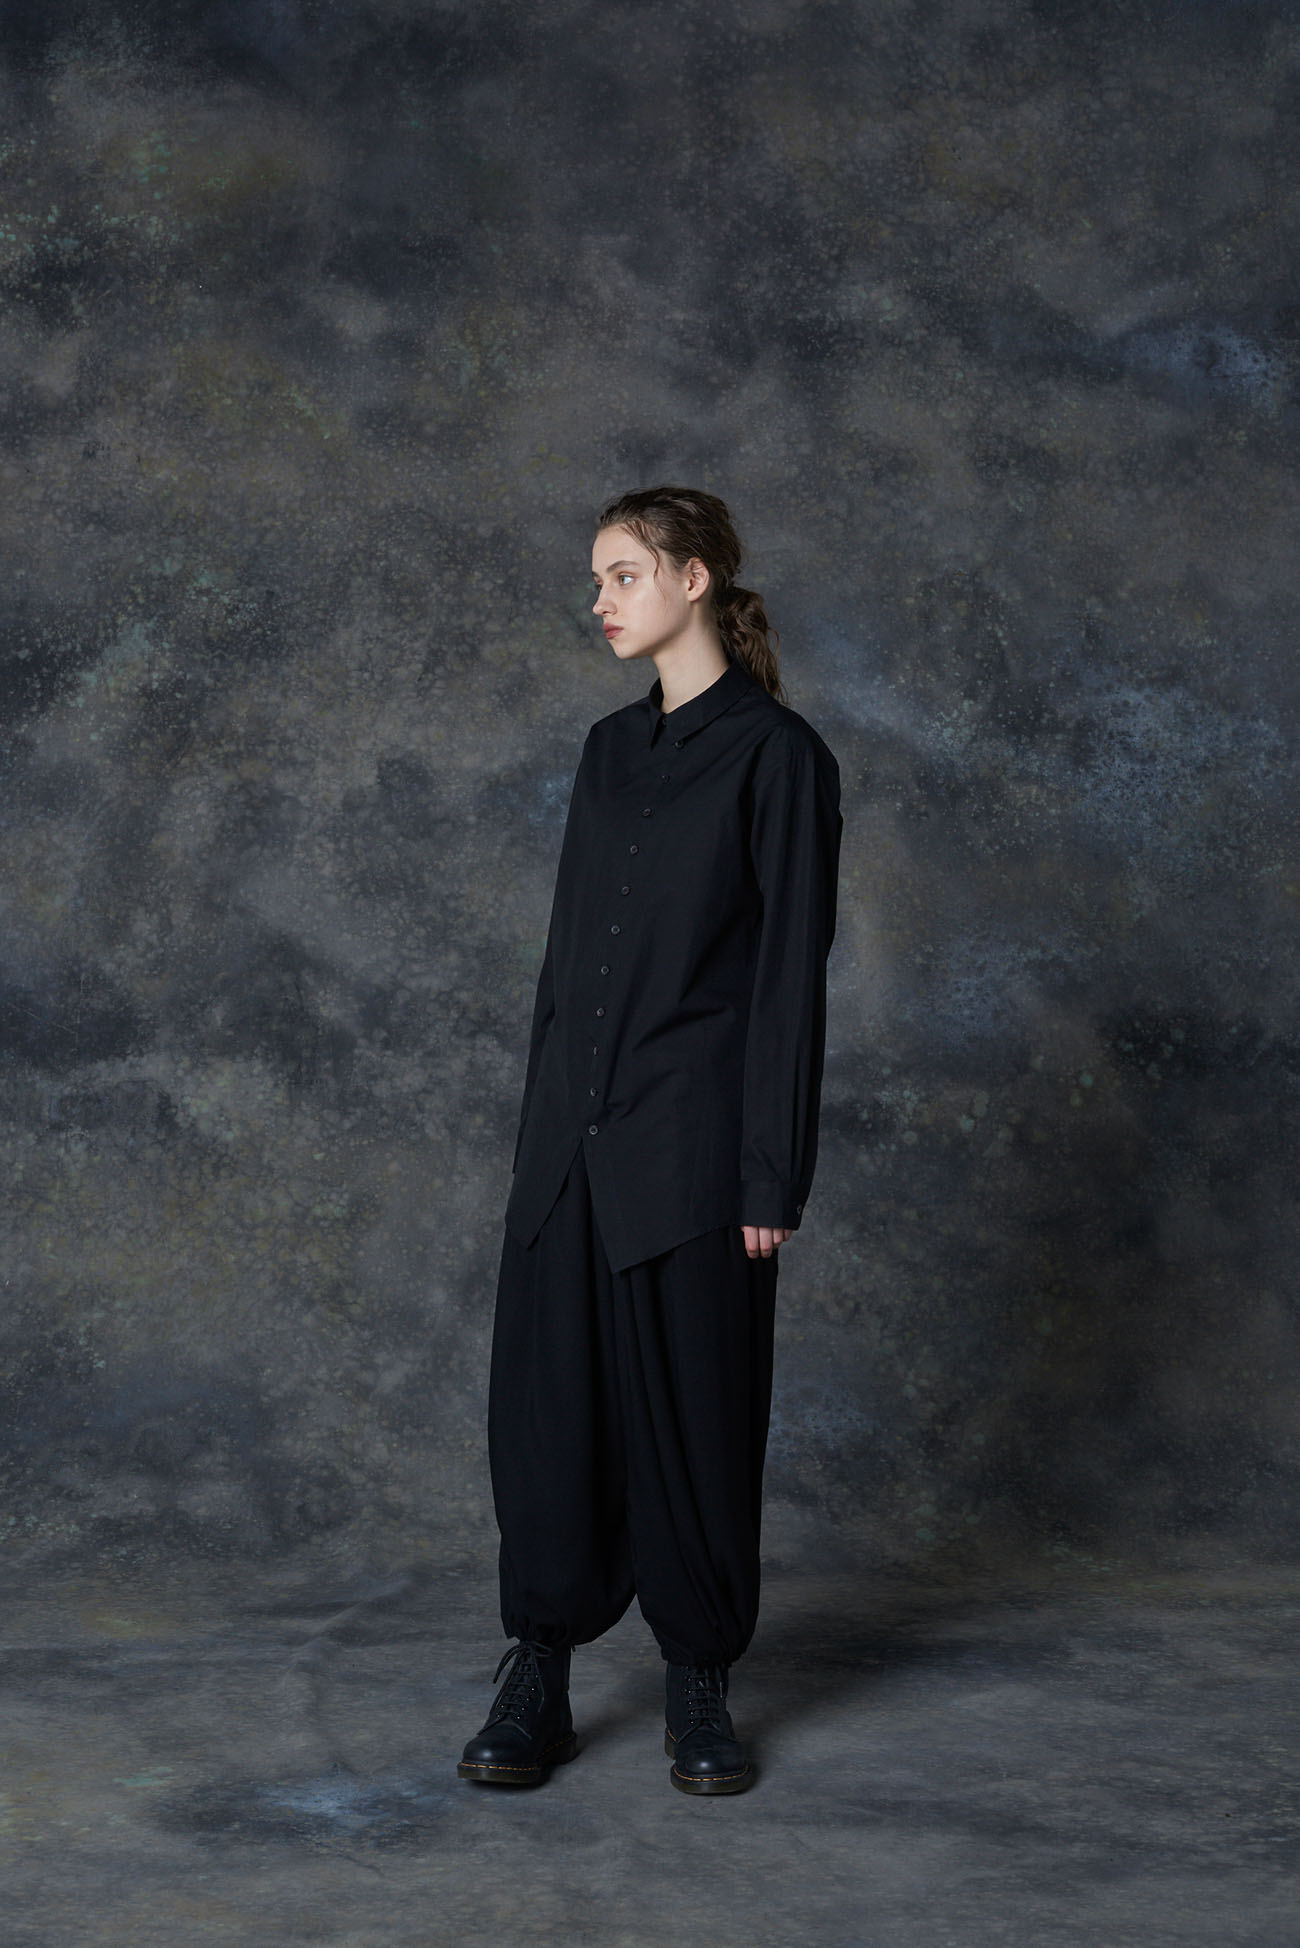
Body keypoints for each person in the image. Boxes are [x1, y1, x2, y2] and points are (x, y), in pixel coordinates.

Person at [458, 485, 843, 1797]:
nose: (601, 602)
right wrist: (534, 1155)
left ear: (693, 581)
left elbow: (788, 986)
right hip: (568, 1152)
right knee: (548, 1415)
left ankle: (697, 1679)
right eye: (598, 580)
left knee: (694, 1417)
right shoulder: (605, 753)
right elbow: (564, 966)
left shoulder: (781, 760)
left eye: (622, 575)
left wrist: (768, 1171)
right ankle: (539, 1671)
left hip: (693, 1154)